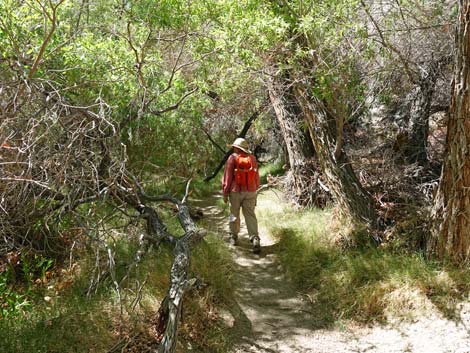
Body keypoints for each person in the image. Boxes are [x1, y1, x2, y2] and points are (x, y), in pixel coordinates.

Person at [222, 137, 261, 253]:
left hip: (235, 192)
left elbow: (227, 178)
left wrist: (225, 192)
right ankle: (255, 238)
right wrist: (255, 189)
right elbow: (256, 177)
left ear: (236, 148)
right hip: (251, 191)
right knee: (250, 214)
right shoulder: (252, 158)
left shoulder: (232, 158)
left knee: (234, 213)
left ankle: (233, 237)